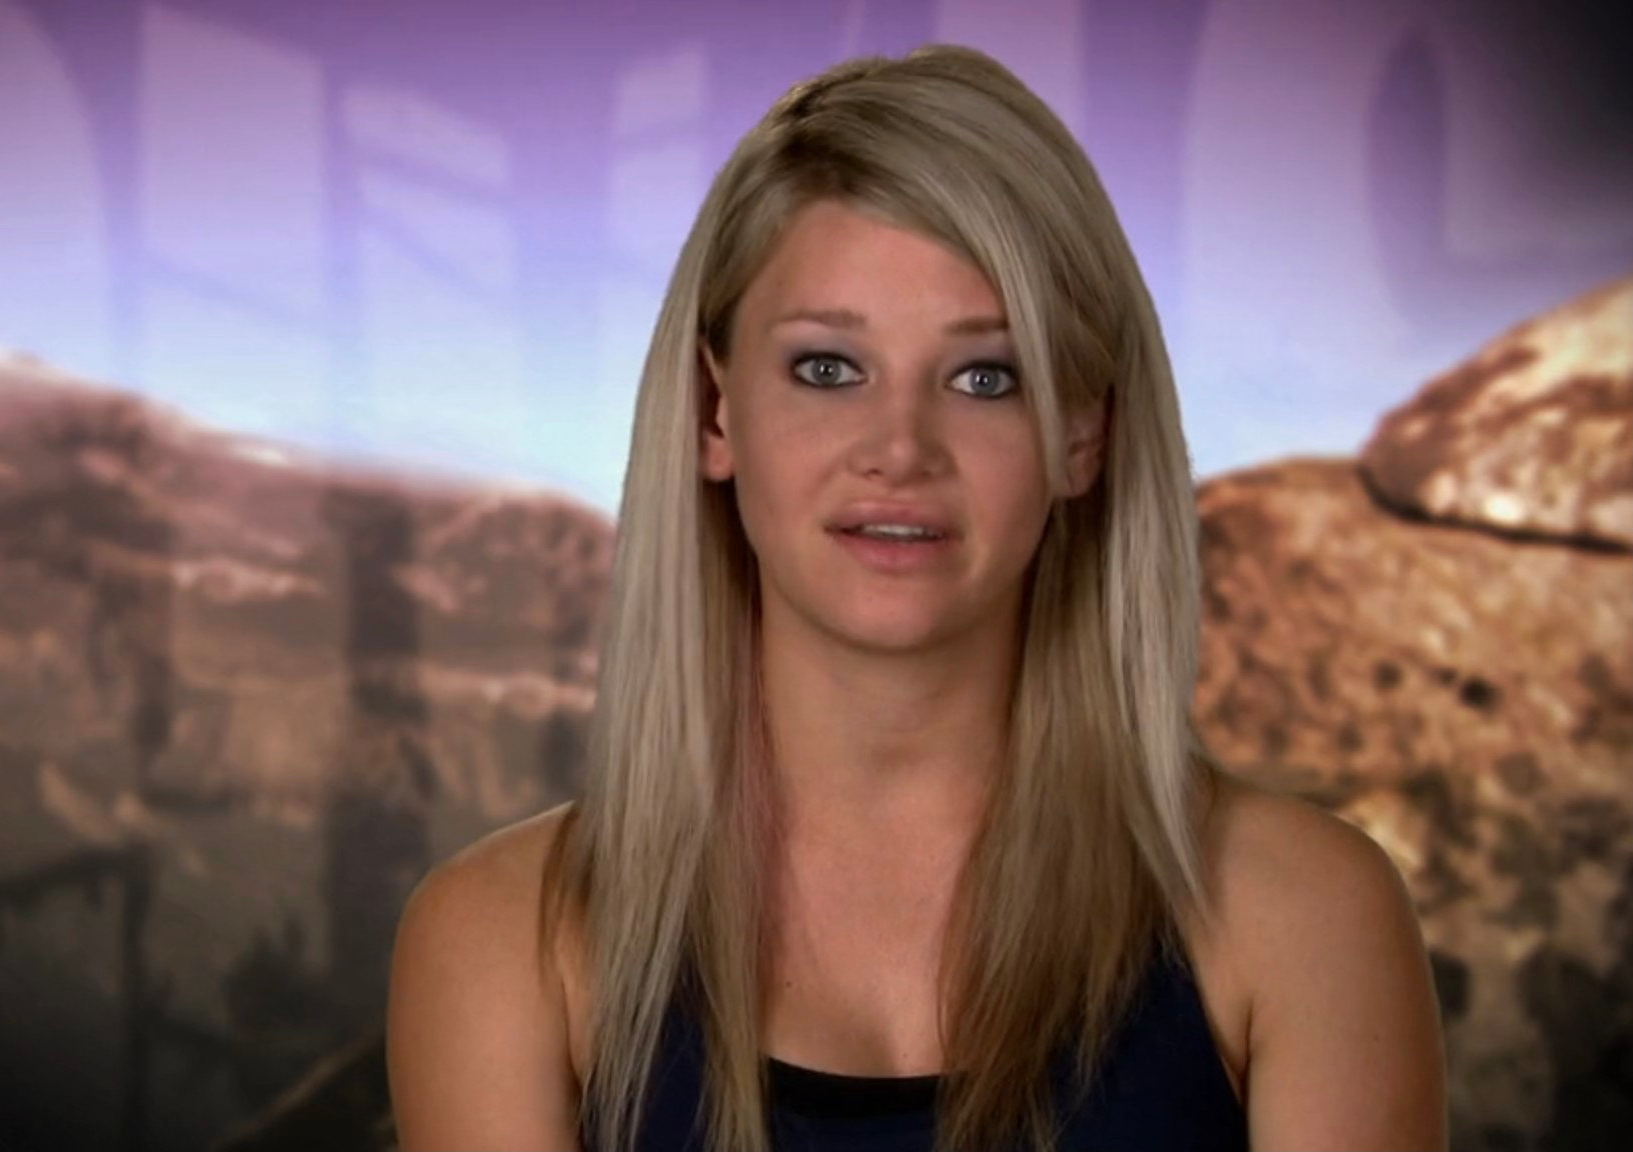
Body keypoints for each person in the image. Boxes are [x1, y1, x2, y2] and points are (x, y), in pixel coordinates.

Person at [386, 44, 1447, 1152]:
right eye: (827, 369)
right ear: (712, 412)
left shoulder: (1303, 923)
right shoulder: (502, 945)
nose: (899, 449)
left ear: (1081, 434)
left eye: (985, 377)